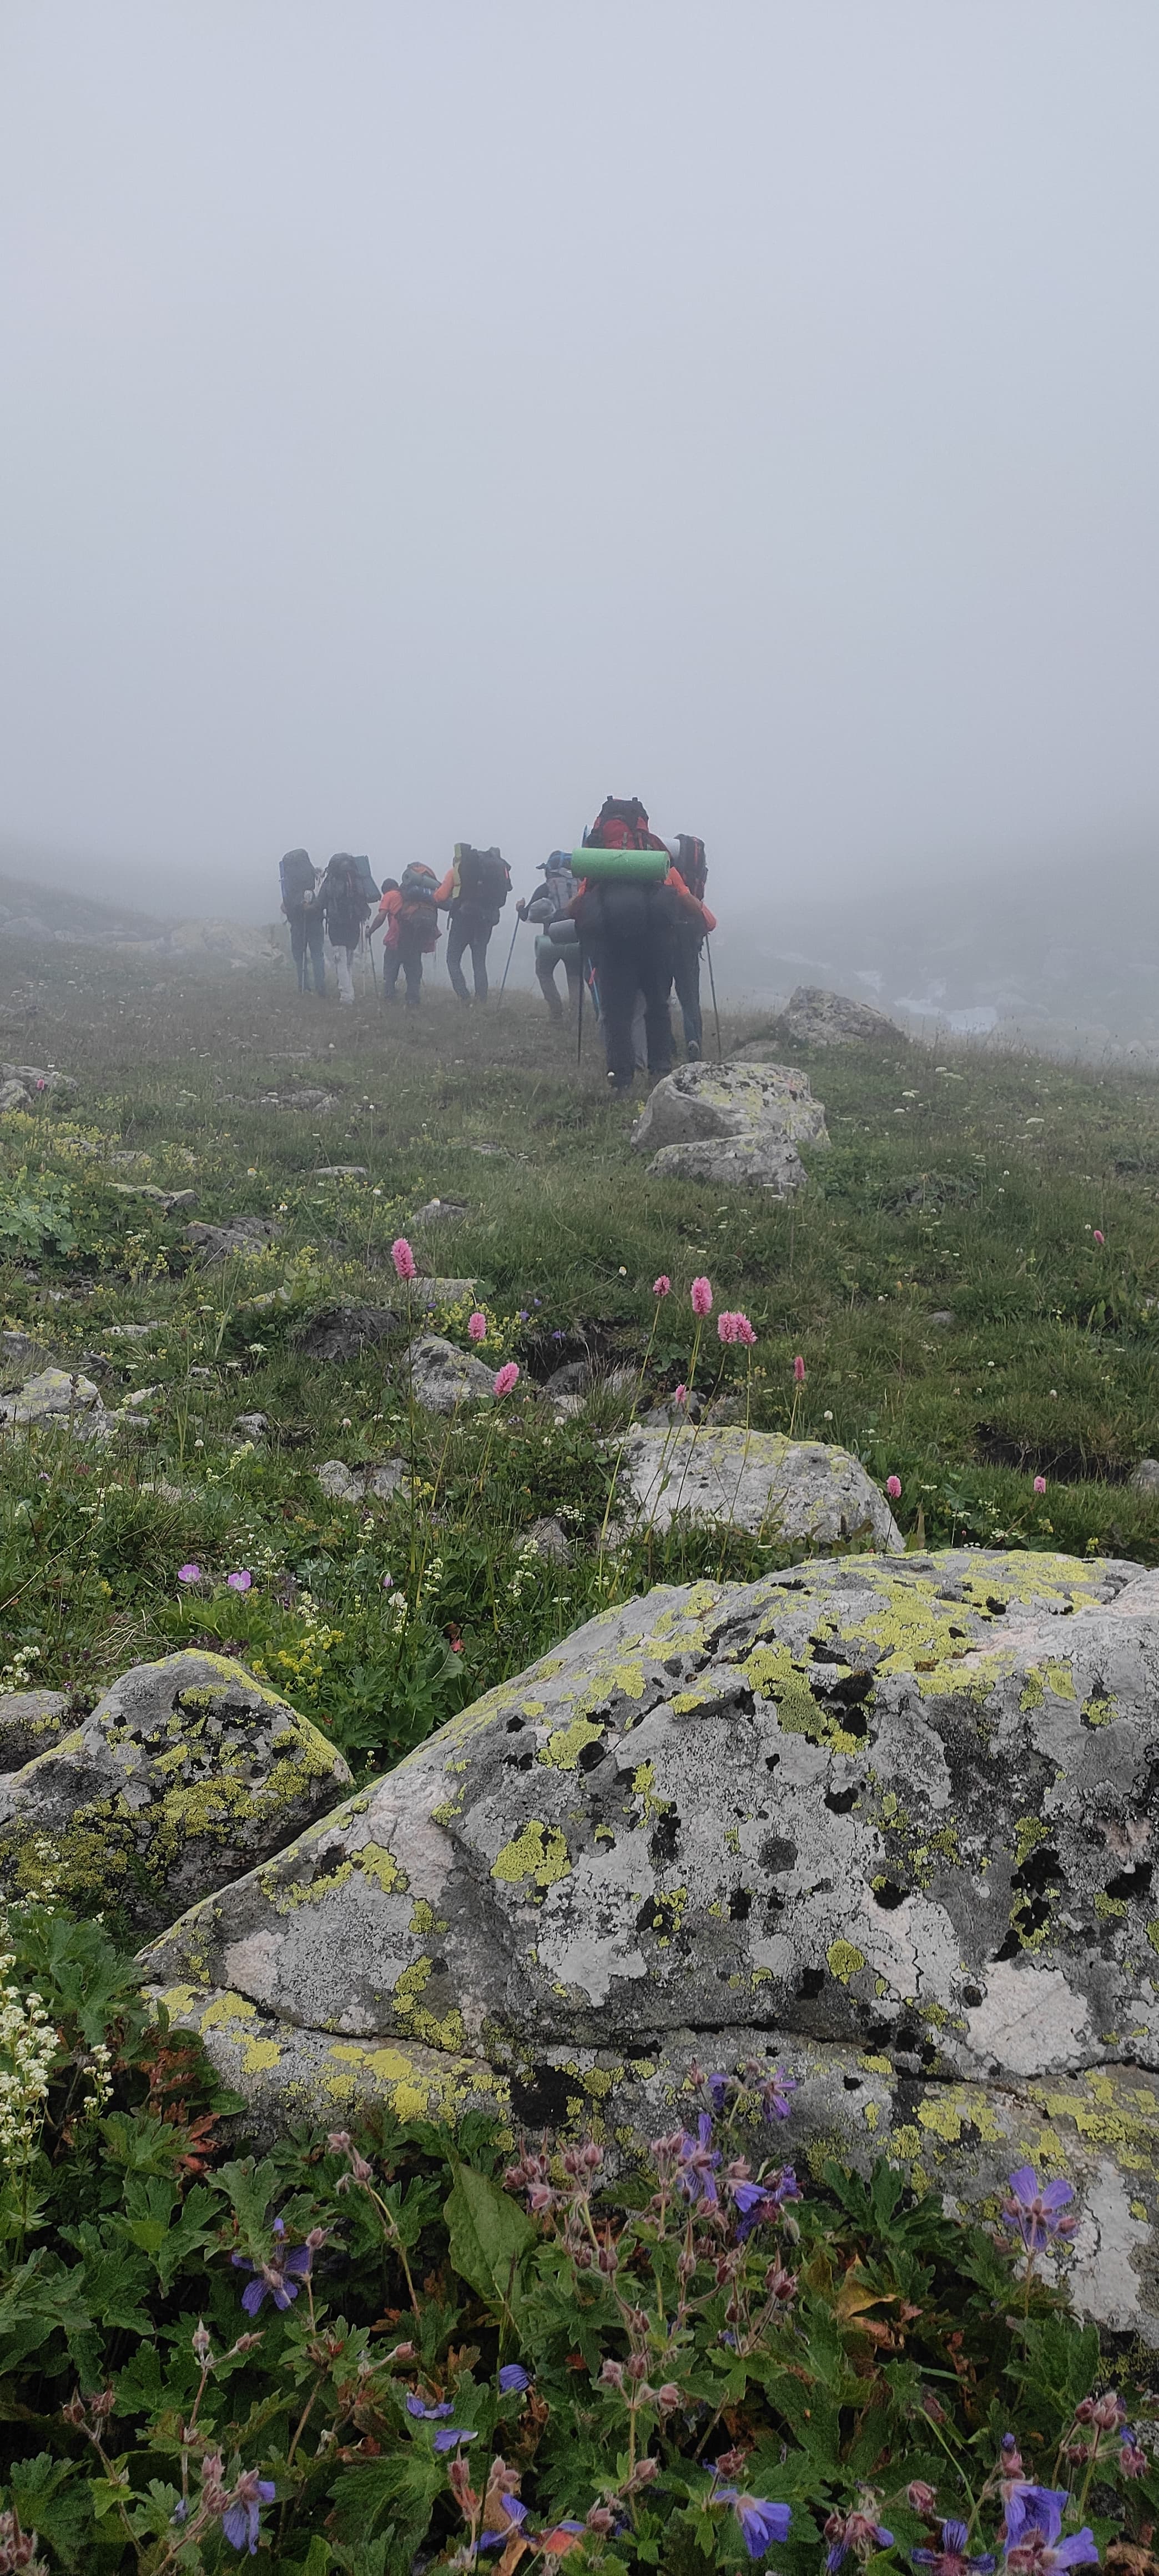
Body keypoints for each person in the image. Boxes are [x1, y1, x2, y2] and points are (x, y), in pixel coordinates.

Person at [570, 796, 680, 1093]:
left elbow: (582, 899)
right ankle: (659, 1071)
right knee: (657, 1005)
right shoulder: (653, 846)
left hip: (615, 942)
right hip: (654, 938)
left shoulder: (599, 851)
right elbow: (673, 889)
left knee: (617, 1010)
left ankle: (621, 1080)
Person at [660, 834, 717, 1058]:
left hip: (662, 941)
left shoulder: (664, 872)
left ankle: (666, 1045)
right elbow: (701, 913)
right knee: (689, 997)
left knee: (660, 996)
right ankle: (694, 1042)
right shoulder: (690, 877)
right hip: (689, 941)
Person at [435, 844, 511, 1005]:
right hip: (486, 920)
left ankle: (464, 997)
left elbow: (440, 897)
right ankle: (481, 1000)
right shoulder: (494, 870)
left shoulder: (456, 872)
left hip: (464, 919)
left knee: (453, 959)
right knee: (479, 960)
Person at [517, 853, 580, 1021]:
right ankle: (575, 1020)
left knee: (544, 972)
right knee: (575, 977)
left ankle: (556, 1013)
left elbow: (527, 915)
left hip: (552, 938)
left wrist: (520, 908)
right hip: (576, 939)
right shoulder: (581, 886)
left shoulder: (545, 888)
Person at [371, 863, 440, 1007]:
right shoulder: (411, 895)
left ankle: (390, 996)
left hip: (397, 938)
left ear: (386, 890)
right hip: (416, 936)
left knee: (391, 968)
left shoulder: (389, 895)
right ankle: (413, 999)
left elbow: (381, 916)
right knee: (414, 969)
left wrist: (370, 932)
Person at [319, 852, 371, 1006]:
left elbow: (321, 903)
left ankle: (347, 996)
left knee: (340, 960)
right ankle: (350, 991)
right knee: (348, 959)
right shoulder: (356, 880)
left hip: (337, 925)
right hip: (354, 924)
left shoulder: (331, 880)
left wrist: (309, 908)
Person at [279, 848, 325, 995]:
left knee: (300, 956)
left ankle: (304, 986)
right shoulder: (316, 877)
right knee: (317, 954)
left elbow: (287, 904)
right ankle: (321, 988)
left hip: (297, 922)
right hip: (316, 921)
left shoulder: (289, 882)